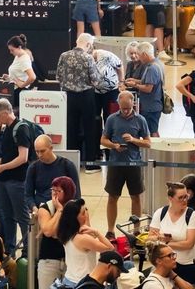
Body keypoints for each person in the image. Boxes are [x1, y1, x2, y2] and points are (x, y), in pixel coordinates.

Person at [101, 91, 151, 237]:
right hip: (116, 164)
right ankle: (110, 230)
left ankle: (136, 231)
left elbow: (148, 143)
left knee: (136, 197)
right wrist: (114, 146)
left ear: (133, 103)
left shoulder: (140, 120)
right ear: (119, 105)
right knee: (112, 197)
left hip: (134, 164)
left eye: (128, 108)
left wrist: (133, 140)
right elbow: (103, 140)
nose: (125, 111)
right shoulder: (111, 119)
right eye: (123, 108)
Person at [0, 98, 33, 256]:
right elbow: (8, 155)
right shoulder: (7, 129)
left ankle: (28, 249)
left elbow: (23, 157)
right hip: (4, 180)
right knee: (7, 216)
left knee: (22, 216)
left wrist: (2, 167)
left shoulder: (21, 129)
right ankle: (10, 249)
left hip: (17, 180)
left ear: (6, 113)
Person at [56, 33, 99, 170]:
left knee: (71, 129)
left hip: (68, 96)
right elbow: (95, 80)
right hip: (86, 96)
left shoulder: (64, 55)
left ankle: (72, 163)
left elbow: (59, 76)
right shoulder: (88, 58)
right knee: (89, 129)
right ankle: (90, 164)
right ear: (88, 44)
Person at [150, 182, 195, 284]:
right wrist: (161, 240)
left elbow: (189, 244)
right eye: (180, 197)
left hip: (186, 265)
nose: (184, 200)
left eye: (186, 197)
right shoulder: (160, 213)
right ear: (170, 198)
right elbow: (150, 238)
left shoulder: (192, 215)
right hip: (164, 266)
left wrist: (165, 242)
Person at [56, 198, 114, 287]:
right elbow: (110, 250)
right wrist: (97, 232)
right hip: (82, 283)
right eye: (83, 213)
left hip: (69, 280)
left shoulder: (66, 233)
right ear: (75, 217)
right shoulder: (82, 239)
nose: (86, 215)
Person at [35, 176, 77, 289]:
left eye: (58, 191)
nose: (54, 193)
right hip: (49, 260)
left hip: (71, 260)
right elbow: (48, 231)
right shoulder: (45, 208)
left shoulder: (76, 208)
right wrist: (59, 210)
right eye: (52, 190)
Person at [25, 135, 80, 214]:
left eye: (43, 151)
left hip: (63, 210)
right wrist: (34, 208)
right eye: (37, 151)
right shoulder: (33, 168)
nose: (40, 155)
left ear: (51, 148)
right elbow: (28, 195)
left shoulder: (67, 165)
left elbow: (76, 194)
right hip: (41, 209)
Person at [128, 41, 164, 137]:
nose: (138, 58)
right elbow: (149, 81)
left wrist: (135, 85)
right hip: (154, 104)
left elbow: (148, 88)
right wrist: (135, 80)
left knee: (152, 131)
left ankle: (154, 151)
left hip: (151, 106)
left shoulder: (152, 68)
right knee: (153, 129)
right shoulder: (158, 63)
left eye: (139, 55)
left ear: (144, 54)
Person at [2, 34, 36, 105]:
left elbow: (32, 77)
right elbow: (19, 74)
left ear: (19, 47)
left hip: (19, 92)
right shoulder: (18, 56)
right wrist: (9, 77)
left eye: (12, 50)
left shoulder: (24, 59)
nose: (10, 52)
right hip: (15, 90)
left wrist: (22, 85)